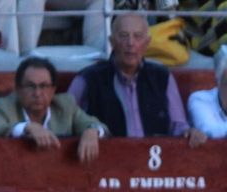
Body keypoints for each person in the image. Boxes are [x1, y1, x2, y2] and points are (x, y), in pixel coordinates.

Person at [68, 13, 200, 141]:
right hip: (106, 155)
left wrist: (189, 132)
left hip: (154, 154)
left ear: (147, 42)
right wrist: (90, 131)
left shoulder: (163, 77)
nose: (130, 43)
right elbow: (66, 121)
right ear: (112, 41)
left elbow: (178, 126)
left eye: (137, 36)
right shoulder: (88, 78)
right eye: (123, 35)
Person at [0, 54, 107, 161]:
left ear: (53, 90)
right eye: (30, 86)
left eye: (44, 86)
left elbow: (96, 125)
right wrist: (27, 127)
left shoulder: (65, 105)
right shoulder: (2, 106)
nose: (37, 93)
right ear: (18, 89)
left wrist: (92, 131)